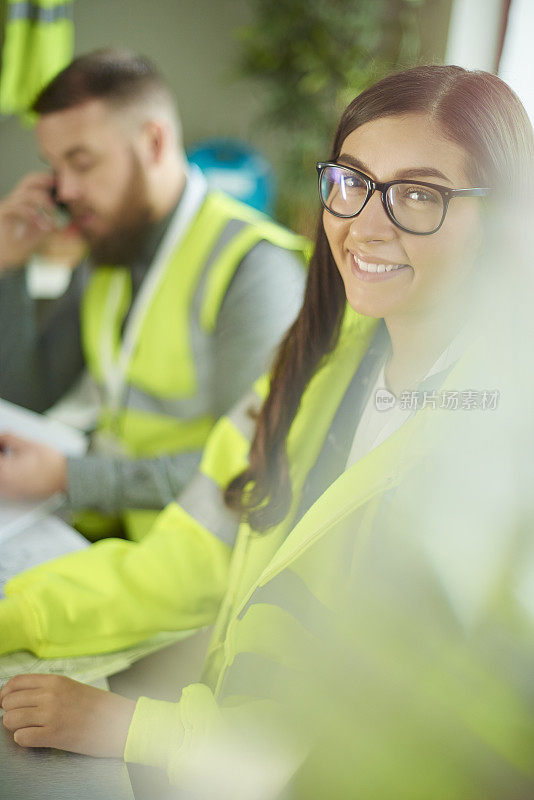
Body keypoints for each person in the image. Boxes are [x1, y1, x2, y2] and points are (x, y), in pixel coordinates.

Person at [1, 65, 534, 797]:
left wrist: (137, 729)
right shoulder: (317, 362)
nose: (364, 223)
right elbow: (189, 556)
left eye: (419, 195)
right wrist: (11, 614)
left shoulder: (498, 455)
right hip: (223, 732)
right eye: (350, 181)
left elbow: (390, 744)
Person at [0, 48, 307, 541]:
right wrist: (9, 267)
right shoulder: (112, 243)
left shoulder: (255, 270)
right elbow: (26, 393)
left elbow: (254, 464)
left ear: (154, 142)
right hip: (113, 535)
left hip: (195, 561)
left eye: (81, 162)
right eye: (55, 169)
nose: (66, 190)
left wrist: (70, 477)